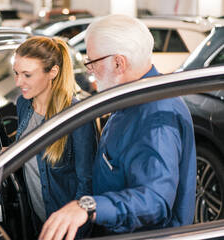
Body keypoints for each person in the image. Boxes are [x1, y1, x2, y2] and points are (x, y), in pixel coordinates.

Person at [39, 14, 196, 240]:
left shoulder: (155, 116)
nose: (90, 70)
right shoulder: (130, 98)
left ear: (118, 63)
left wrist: (88, 207)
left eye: (92, 62)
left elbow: (155, 201)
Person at [13, 36, 97, 238]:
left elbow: (87, 183)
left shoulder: (76, 115)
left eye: (27, 75)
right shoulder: (23, 105)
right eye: (16, 73)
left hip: (66, 230)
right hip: (36, 222)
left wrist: (73, 232)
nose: (18, 82)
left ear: (53, 72)